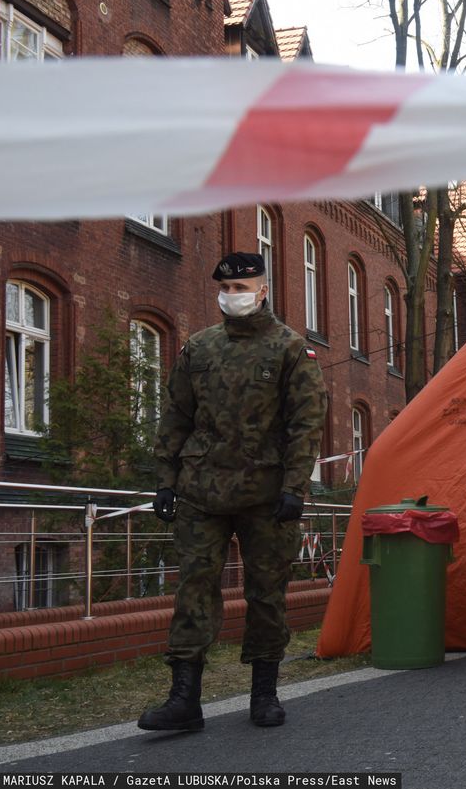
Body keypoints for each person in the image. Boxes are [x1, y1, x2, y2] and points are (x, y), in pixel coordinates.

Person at [139, 252, 328, 731]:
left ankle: (264, 694)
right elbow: (176, 414)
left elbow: (306, 424)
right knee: (194, 590)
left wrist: (295, 487)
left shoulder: (290, 349)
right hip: (202, 490)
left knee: (266, 594)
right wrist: (165, 480)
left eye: (242, 289)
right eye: (226, 289)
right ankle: (184, 699)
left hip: (267, 494)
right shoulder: (199, 349)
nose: (232, 297)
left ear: (263, 291)